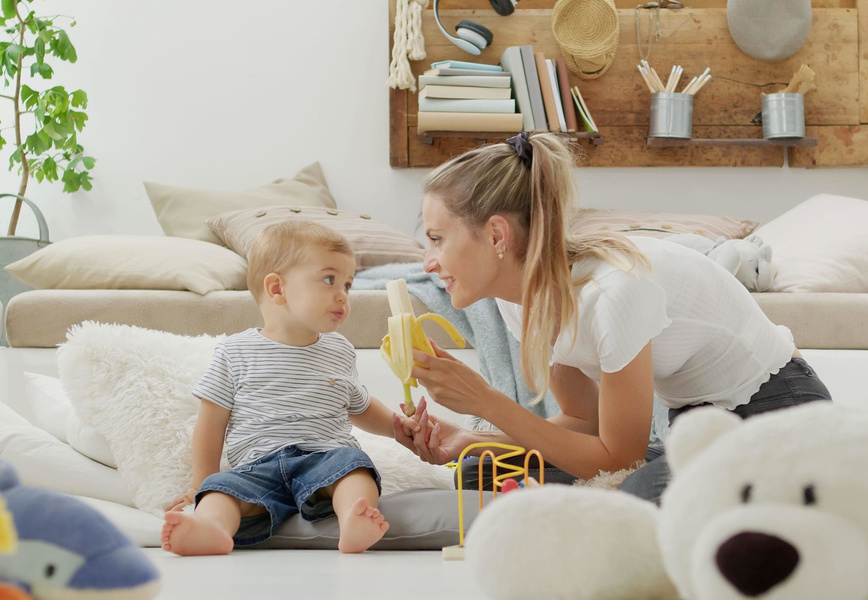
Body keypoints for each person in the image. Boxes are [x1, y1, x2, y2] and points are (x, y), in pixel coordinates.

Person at [392, 131, 832, 503]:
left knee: (637, 495)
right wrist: (475, 440)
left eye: (436, 239)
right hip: (698, 428)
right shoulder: (520, 299)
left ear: (496, 234)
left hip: (775, 412)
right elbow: (583, 421)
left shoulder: (613, 291)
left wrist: (488, 403)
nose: (428, 262)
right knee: (478, 474)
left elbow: (619, 460)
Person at [161, 221, 416, 555]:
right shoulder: (235, 352)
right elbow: (210, 423)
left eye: (348, 285)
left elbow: (361, 406)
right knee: (221, 490)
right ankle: (210, 529)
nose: (342, 294)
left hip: (324, 457)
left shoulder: (339, 349)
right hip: (257, 466)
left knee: (356, 467)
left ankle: (354, 519)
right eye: (329, 280)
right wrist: (200, 484)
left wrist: (400, 428)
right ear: (277, 289)